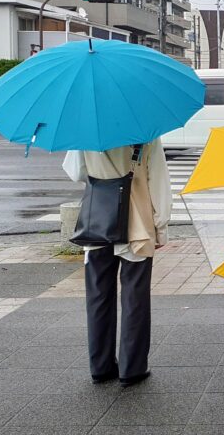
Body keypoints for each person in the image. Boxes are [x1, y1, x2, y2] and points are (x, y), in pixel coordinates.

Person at [63, 137, 171, 387]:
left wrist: (101, 169)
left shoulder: (85, 128)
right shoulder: (146, 131)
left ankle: (100, 366)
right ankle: (132, 368)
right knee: (135, 298)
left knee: (98, 298)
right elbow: (158, 183)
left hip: (98, 220)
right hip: (137, 224)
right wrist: (161, 228)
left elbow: (75, 172)